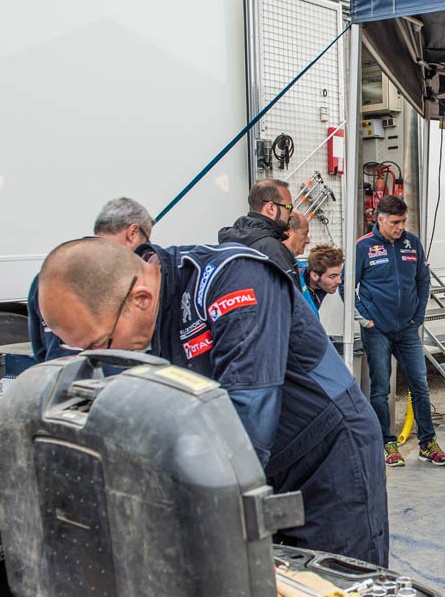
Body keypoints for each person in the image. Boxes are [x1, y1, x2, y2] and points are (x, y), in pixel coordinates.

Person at [36, 237, 389, 566]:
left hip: (329, 458)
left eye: (102, 342)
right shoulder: (148, 314)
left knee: (344, 592)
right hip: (269, 468)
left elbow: (246, 422)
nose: (103, 355)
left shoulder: (234, 280)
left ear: (140, 299)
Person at [353, 196, 445, 468]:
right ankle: (386, 443)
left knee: (420, 386)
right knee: (381, 389)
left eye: (403, 221)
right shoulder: (363, 247)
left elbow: (422, 279)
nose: (400, 227)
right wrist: (366, 319)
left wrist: (417, 316)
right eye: (395, 222)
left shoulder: (412, 243)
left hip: (407, 329)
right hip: (377, 332)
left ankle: (428, 444)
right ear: (380, 219)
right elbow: (346, 285)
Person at [27, 197, 153, 361]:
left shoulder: (48, 275)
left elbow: (40, 348)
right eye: (147, 240)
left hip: (59, 379)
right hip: (113, 382)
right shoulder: (132, 279)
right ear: (133, 232)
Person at [218, 179, 302, 290]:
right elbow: (291, 301)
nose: (291, 214)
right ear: (271, 208)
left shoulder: (230, 243)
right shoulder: (272, 249)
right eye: (289, 207)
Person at [297, 244, 343, 314]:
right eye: (333, 276)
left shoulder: (321, 283)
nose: (339, 281)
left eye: (339, 275)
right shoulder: (295, 287)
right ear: (315, 276)